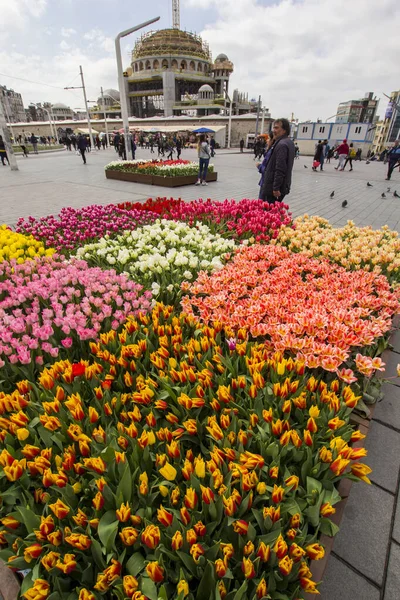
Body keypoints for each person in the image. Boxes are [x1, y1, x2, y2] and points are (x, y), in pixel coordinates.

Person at [259, 118, 295, 204]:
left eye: (276, 128)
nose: (273, 131)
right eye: (273, 128)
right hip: (279, 186)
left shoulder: (282, 145)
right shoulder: (288, 142)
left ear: (284, 130)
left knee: (267, 213)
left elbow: (280, 168)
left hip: (272, 189)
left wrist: (275, 188)